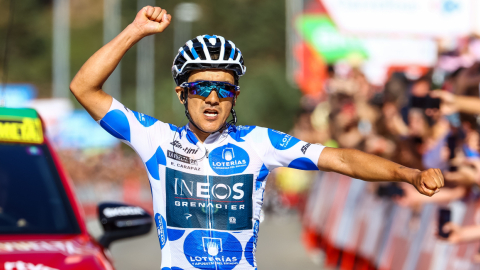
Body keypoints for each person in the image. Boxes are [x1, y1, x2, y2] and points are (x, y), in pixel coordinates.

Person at [70, 6, 445, 270]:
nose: (213, 98)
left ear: (235, 96)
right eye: (201, 88)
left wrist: (408, 174)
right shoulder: (156, 139)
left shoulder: (259, 143)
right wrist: (135, 31)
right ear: (182, 93)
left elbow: (342, 159)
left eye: (225, 89)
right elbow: (84, 88)